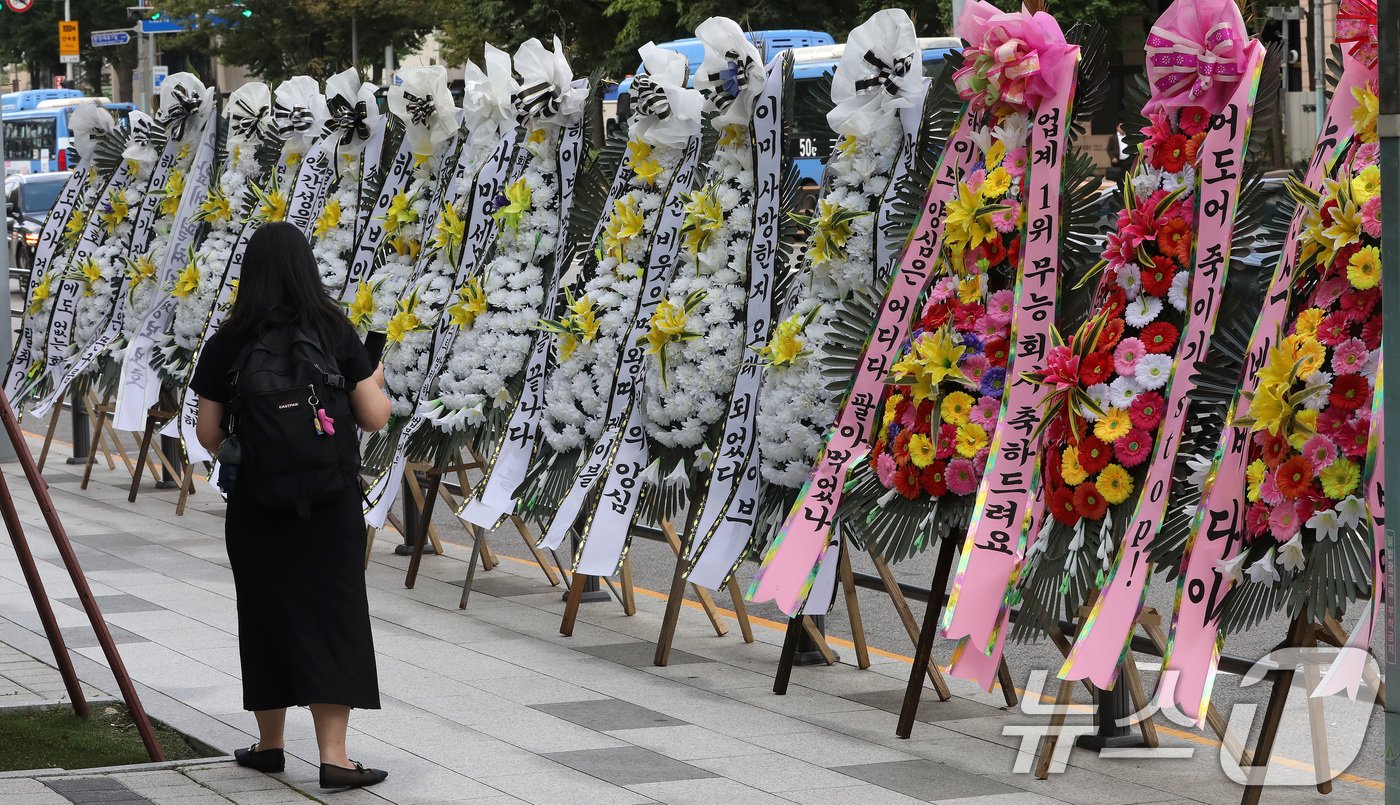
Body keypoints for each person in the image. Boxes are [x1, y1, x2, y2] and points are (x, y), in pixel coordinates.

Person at [192, 222, 391, 790]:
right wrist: (374, 380)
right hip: (329, 505)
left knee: (265, 616)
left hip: (257, 505)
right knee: (334, 617)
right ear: (308, 268)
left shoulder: (227, 341)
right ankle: (335, 757)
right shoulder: (333, 330)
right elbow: (374, 417)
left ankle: (270, 745)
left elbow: (208, 434)